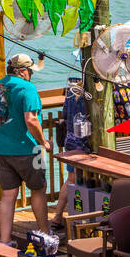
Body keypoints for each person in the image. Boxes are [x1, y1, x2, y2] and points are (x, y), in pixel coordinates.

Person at [0, 53, 52, 246]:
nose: (31, 75)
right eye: (30, 71)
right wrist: (43, 142)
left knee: (8, 194)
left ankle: (4, 240)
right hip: (28, 149)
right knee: (38, 189)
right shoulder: (27, 88)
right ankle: (45, 234)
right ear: (22, 71)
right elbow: (31, 119)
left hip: (0, 149)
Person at [50, 79, 91, 232]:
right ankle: (83, 217)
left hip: (70, 139)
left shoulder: (71, 93)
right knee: (85, 178)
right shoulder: (90, 94)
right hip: (84, 140)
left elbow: (65, 114)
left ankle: (58, 215)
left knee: (71, 178)